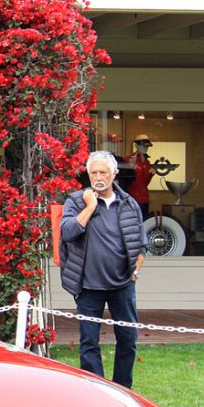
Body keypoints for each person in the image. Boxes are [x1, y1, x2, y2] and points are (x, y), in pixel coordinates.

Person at [59, 151, 147, 389]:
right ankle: (97, 391)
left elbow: (142, 244)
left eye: (103, 172)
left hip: (122, 286)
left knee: (128, 339)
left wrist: (135, 273)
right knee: (89, 342)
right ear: (88, 174)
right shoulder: (76, 201)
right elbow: (67, 233)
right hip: (88, 286)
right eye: (94, 172)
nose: (98, 177)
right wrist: (90, 206)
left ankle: (123, 391)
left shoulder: (129, 204)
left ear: (114, 174)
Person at [128, 135, 154, 221]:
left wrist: (151, 175)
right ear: (136, 145)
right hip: (133, 197)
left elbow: (144, 183)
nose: (145, 148)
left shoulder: (147, 162)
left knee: (144, 222)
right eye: (143, 145)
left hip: (144, 198)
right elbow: (126, 180)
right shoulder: (129, 159)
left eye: (147, 146)